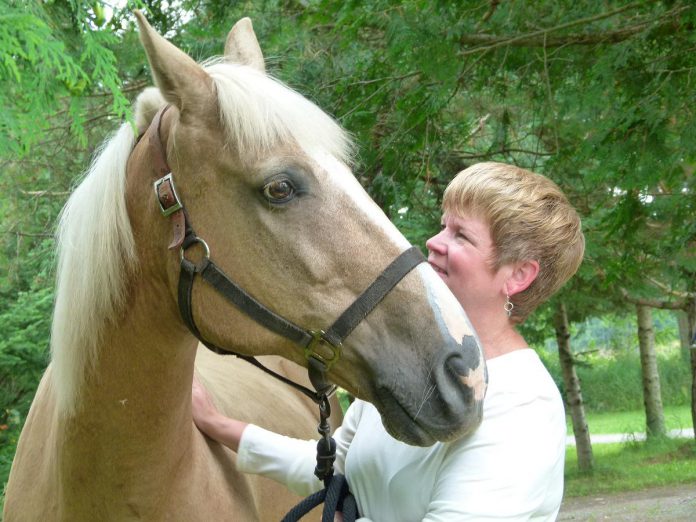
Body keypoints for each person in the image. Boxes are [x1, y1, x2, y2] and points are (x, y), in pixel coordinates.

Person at [192, 161, 585, 521]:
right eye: (443, 225)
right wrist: (218, 424)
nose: (434, 241)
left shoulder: (522, 405)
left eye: (461, 235)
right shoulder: (414, 365)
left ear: (517, 276)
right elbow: (336, 469)